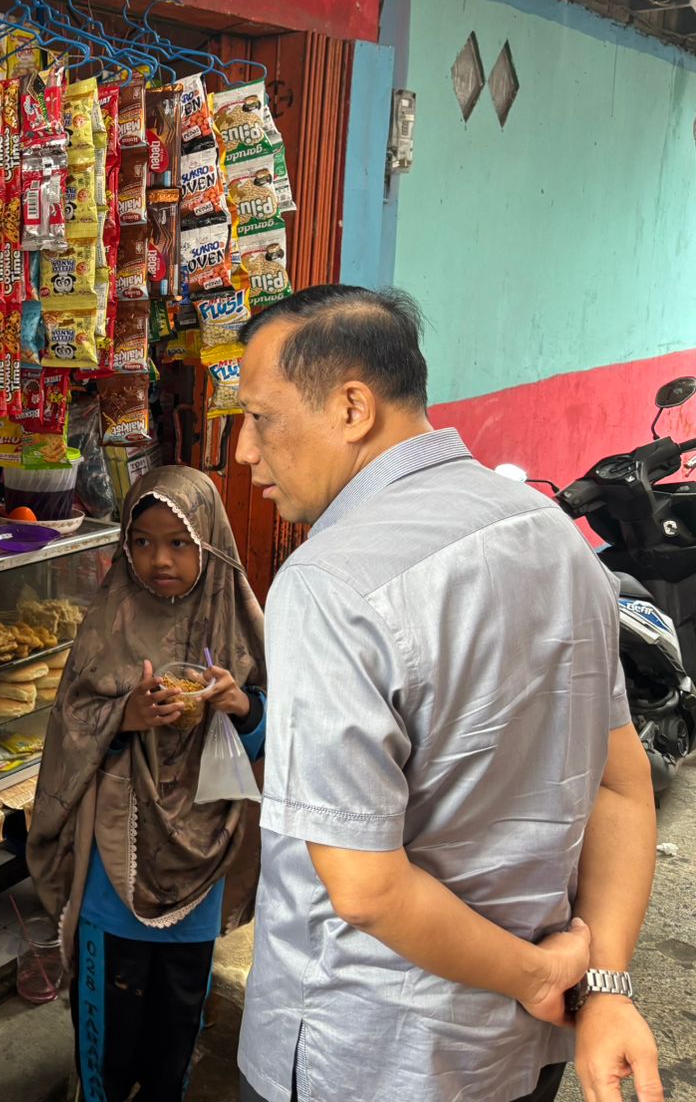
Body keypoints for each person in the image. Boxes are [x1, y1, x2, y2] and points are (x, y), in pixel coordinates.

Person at [233, 286, 663, 1102]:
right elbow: (621, 783)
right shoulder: (551, 532)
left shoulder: (329, 582)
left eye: (260, 417)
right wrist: (602, 985)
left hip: (363, 1058)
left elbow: (365, 887)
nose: (246, 451)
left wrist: (539, 974)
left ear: (352, 407)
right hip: (518, 1055)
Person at [28, 466, 267, 1102]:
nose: (159, 559)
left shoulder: (237, 623)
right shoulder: (108, 621)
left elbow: (279, 741)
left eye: (179, 543)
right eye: (142, 542)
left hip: (203, 857)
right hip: (116, 863)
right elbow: (68, 728)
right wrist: (121, 718)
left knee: (176, 1025)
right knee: (108, 1030)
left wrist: (241, 708)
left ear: (208, 542)